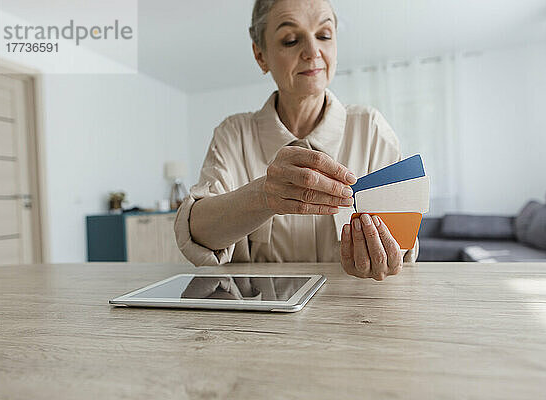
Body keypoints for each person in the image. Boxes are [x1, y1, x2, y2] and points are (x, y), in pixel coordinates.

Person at [174, 0, 419, 280]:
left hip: (352, 310)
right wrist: (264, 196)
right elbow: (198, 232)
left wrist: (386, 255)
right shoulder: (233, 134)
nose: (313, 51)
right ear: (261, 56)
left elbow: (402, 245)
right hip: (256, 318)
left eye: (324, 36)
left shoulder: (371, 129)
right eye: (291, 40)